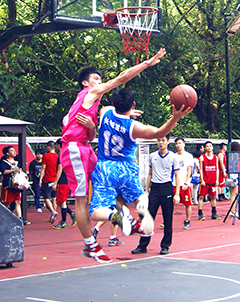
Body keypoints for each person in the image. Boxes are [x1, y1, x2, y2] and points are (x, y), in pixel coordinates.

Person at [62, 49, 166, 263]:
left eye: (100, 79)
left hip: (86, 148)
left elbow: (88, 134)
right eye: (96, 79)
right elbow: (121, 79)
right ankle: (91, 244)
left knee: (105, 182)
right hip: (74, 150)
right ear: (85, 83)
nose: (100, 82)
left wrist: (93, 126)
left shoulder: (88, 106)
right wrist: (146, 63)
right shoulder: (89, 93)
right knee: (81, 200)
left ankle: (126, 217)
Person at [88, 87, 192, 262]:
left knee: (95, 212)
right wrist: (175, 117)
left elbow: (108, 108)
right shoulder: (134, 127)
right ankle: (142, 211)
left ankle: (115, 216)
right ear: (133, 105)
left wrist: (125, 111)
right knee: (141, 197)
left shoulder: (105, 113)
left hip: (105, 168)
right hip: (126, 169)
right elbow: (159, 133)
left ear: (114, 103)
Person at [132, 136, 181, 255]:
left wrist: (177, 194)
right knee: (148, 217)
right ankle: (142, 245)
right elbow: (150, 174)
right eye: (159, 140)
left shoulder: (173, 157)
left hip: (167, 187)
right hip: (155, 188)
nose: (161, 142)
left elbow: (177, 175)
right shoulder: (152, 156)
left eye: (163, 140)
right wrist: (146, 189)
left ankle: (165, 245)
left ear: (168, 142)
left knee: (167, 219)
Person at [0, 146, 27, 223]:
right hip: (8, 185)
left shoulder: (17, 162)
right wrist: (14, 170)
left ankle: (20, 218)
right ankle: (3, 217)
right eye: (12, 150)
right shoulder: (4, 162)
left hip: (16, 185)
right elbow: (4, 171)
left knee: (18, 202)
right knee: (6, 202)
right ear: (7, 153)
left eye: (14, 150)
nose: (14, 152)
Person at [174, 137, 195, 229]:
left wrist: (186, 182)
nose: (178, 145)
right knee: (170, 203)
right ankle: (167, 220)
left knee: (187, 203)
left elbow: (189, 171)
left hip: (184, 184)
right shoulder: (173, 156)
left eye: (180, 143)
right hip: (174, 183)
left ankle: (187, 220)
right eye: (176, 143)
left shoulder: (188, 156)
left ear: (184, 144)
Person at [198, 141, 221, 220]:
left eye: (210, 146)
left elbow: (217, 169)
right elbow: (201, 169)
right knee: (201, 197)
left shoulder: (215, 157)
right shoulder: (202, 157)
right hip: (205, 180)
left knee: (213, 197)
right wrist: (202, 179)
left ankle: (214, 213)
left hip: (213, 180)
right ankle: (200, 213)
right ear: (205, 148)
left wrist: (217, 179)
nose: (209, 147)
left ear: (212, 147)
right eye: (207, 146)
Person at [40, 141, 59, 223]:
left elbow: (43, 168)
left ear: (49, 147)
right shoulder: (58, 156)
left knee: (46, 198)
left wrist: (40, 179)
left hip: (48, 179)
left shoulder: (46, 156)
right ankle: (53, 214)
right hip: (55, 179)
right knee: (54, 198)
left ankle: (52, 211)